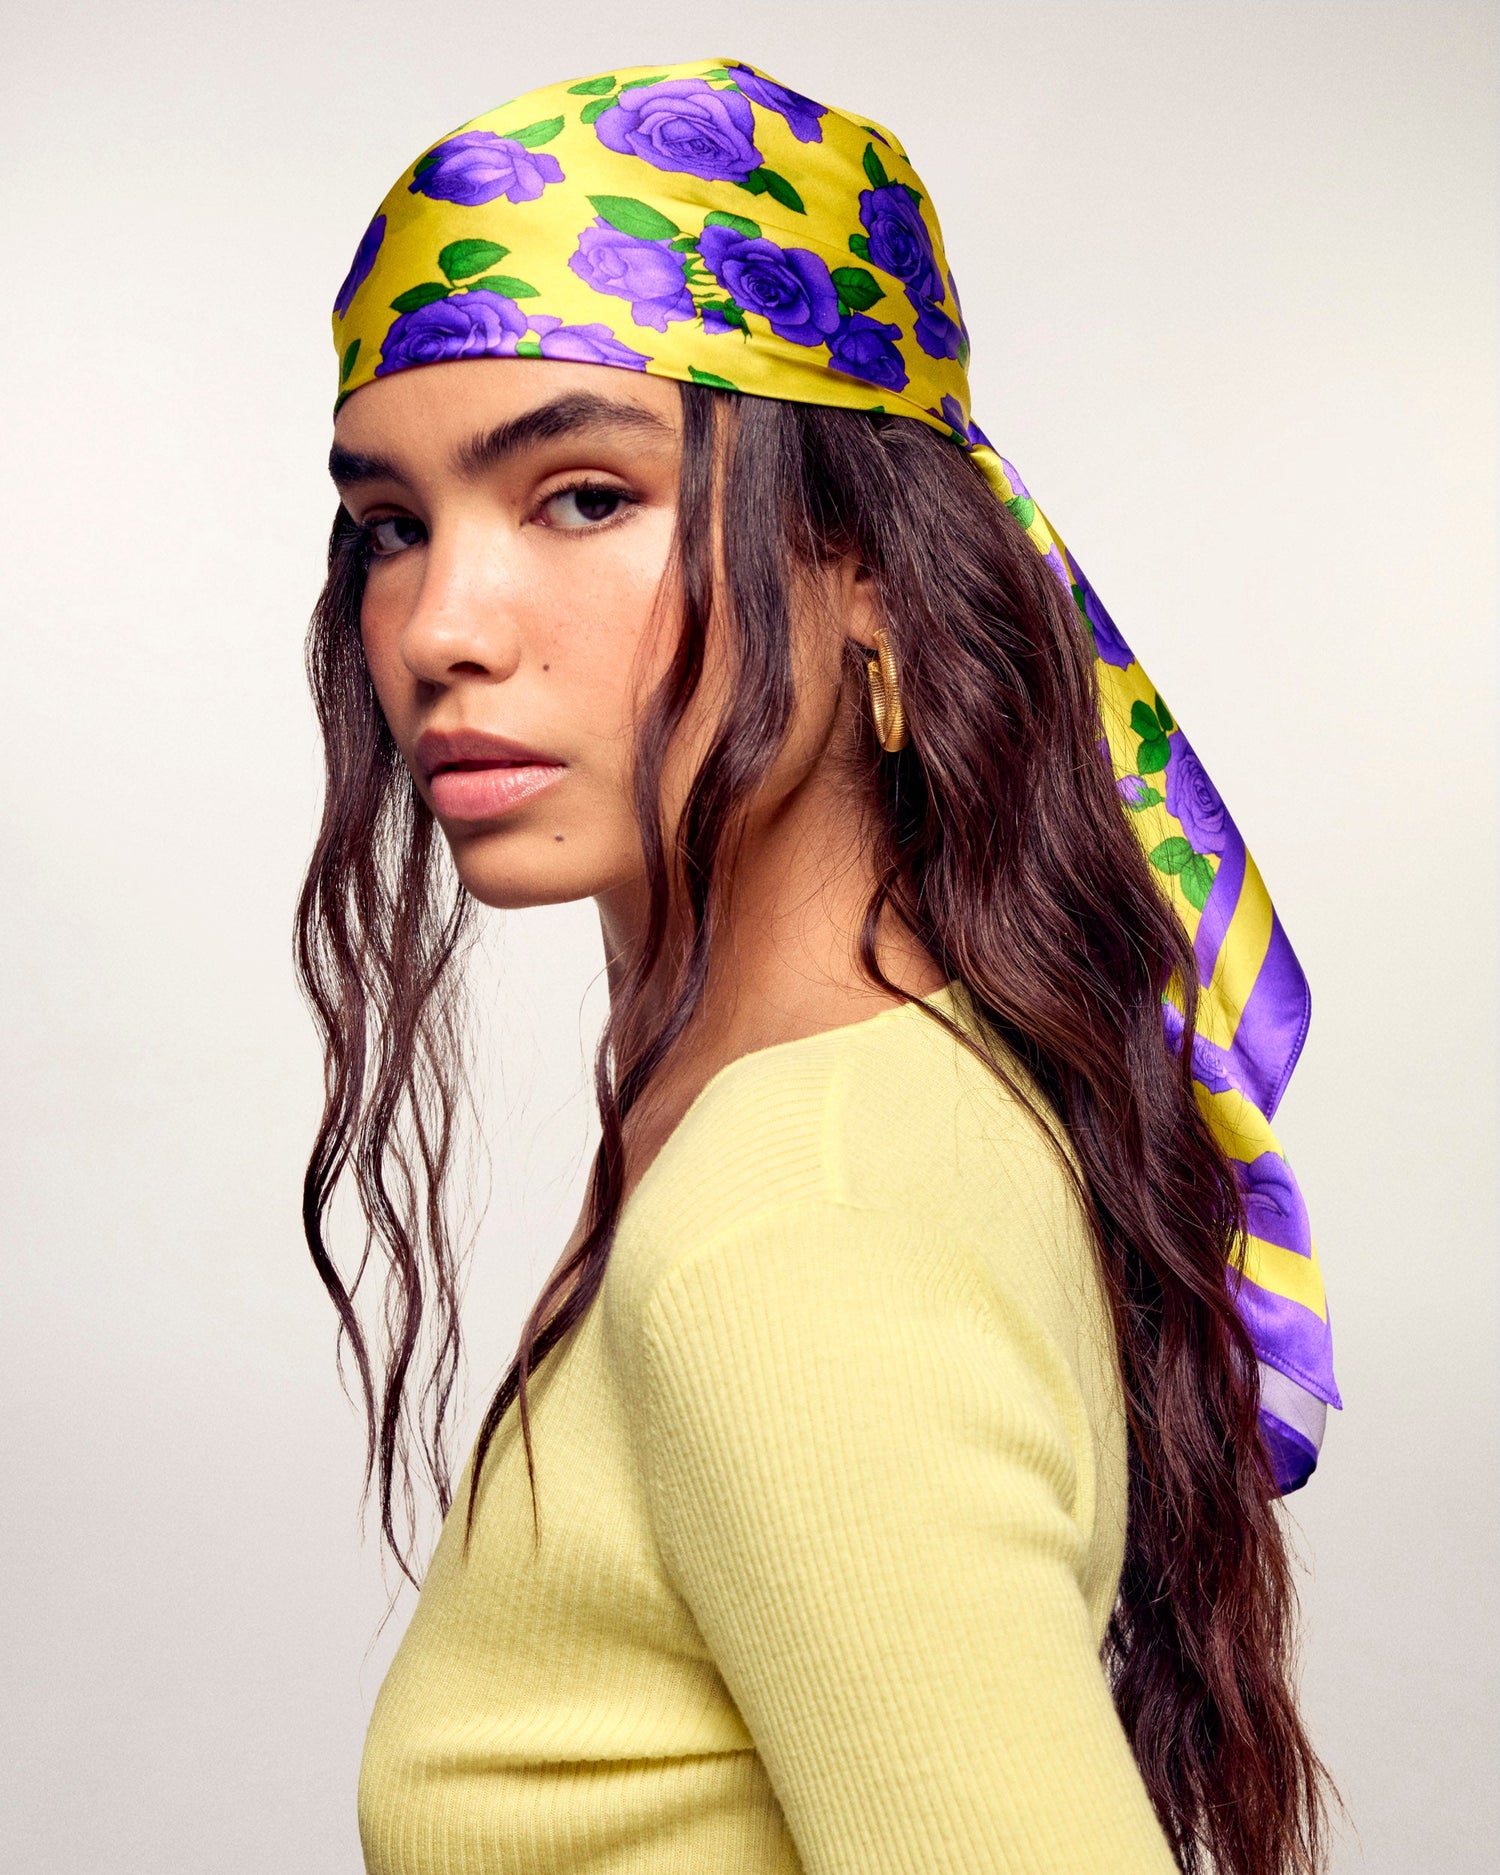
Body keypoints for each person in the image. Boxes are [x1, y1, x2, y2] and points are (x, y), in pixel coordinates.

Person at [299, 58, 1338, 1875]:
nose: (441, 628)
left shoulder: (793, 1223)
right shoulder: (904, 1094)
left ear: (861, 559)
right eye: (394, 526)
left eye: (581, 497)